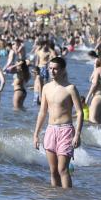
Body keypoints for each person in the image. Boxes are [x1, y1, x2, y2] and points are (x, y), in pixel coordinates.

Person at [33, 57, 83, 188]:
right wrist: (36, 134)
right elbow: (42, 112)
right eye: (50, 68)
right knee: (53, 171)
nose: (52, 71)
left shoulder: (70, 88)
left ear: (62, 70)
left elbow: (79, 112)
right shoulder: (46, 88)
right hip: (50, 130)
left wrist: (77, 134)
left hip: (66, 130)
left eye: (55, 69)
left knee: (63, 170)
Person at [85, 56, 101, 124]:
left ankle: (92, 134)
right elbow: (91, 78)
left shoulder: (98, 70)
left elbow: (94, 84)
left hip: (98, 97)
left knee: (92, 120)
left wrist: (88, 96)